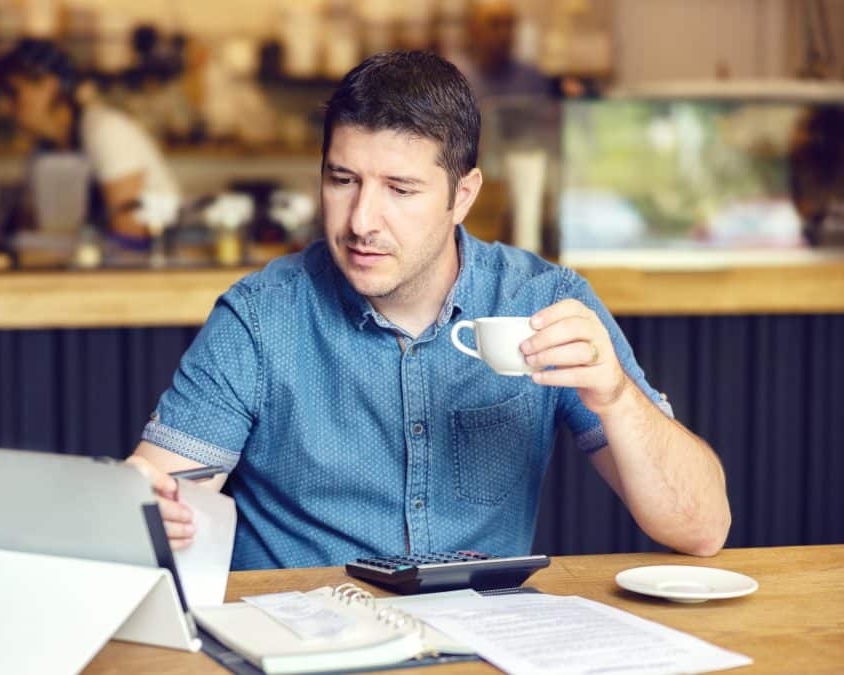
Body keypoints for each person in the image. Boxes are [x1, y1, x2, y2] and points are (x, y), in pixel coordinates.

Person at [128, 51, 731, 570]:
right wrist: (154, 513)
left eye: (400, 189)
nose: (362, 221)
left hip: (475, 644)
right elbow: (153, 499)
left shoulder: (541, 301)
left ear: (462, 196)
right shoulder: (261, 318)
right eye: (343, 180)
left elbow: (701, 529)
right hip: (299, 644)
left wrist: (617, 398)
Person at [0, 39, 180, 243]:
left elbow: (130, 227)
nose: (4, 108)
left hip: (152, 263)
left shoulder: (104, 131)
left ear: (49, 86)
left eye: (13, 93)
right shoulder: (44, 151)